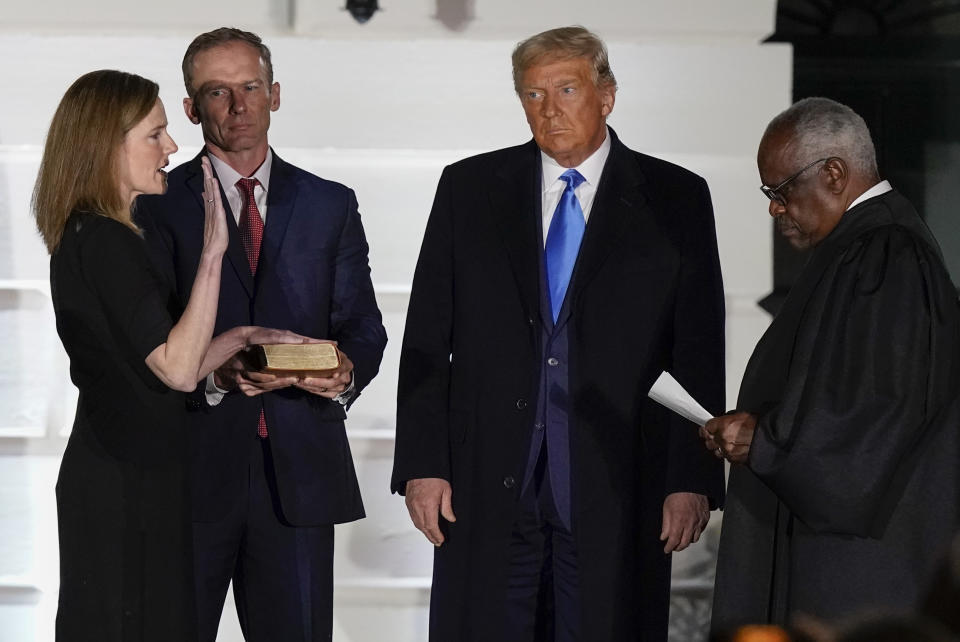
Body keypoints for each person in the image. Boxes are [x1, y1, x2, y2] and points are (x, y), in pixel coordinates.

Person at [392, 25, 726, 641]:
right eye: (533, 94)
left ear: (607, 94)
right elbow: (425, 339)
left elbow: (697, 348)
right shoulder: (468, 189)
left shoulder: (676, 197)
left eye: (566, 88)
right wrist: (422, 464)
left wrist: (690, 478)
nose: (549, 109)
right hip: (485, 481)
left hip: (621, 482)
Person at [136, 28, 387, 642]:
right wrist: (217, 376)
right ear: (192, 108)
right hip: (188, 477)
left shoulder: (331, 204)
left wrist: (344, 372)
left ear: (275, 94)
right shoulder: (154, 205)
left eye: (250, 87)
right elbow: (141, 343)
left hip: (300, 474)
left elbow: (363, 327)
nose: (238, 106)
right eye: (217, 92)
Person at [35, 70, 304, 641]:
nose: (173, 147)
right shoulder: (105, 240)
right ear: (108, 144)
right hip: (126, 483)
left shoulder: (97, 235)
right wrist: (213, 252)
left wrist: (244, 336)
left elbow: (150, 363)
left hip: (133, 472)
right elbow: (177, 370)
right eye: (155, 134)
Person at [703, 97, 960, 633]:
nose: (775, 208)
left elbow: (873, 415)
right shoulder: (863, 249)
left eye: (780, 190)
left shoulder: (885, 253)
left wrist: (766, 442)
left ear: (835, 174)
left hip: (860, 563)